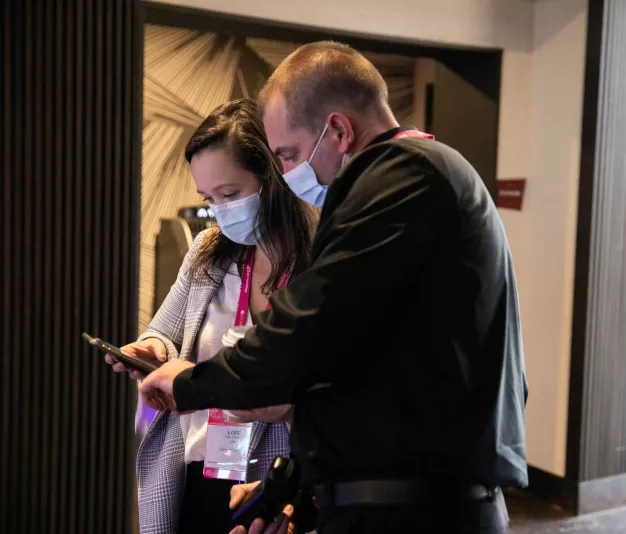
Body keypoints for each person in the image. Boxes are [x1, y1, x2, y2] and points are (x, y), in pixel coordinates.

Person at [140, 41, 528, 534]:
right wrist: (294, 488)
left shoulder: (402, 177)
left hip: (414, 509)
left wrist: (186, 385)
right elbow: (364, 369)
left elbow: (304, 336)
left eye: (289, 155)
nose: (288, 175)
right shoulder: (419, 176)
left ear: (339, 130)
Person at [107, 99, 316, 534]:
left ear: (273, 179)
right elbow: (165, 331)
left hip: (273, 482)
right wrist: (152, 349)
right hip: (194, 468)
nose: (221, 210)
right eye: (209, 198)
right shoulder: (207, 252)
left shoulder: (319, 264)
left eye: (231, 194)